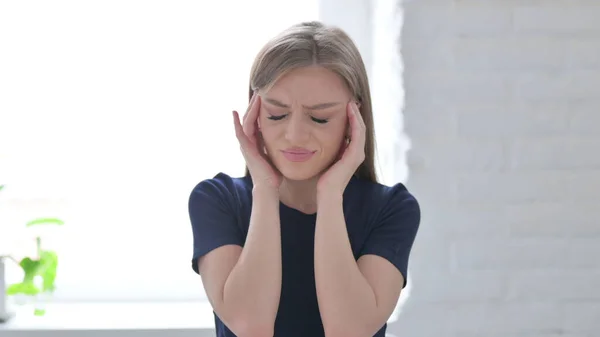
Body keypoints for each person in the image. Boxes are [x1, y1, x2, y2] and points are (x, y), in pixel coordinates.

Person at [188, 21, 420, 337]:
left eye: (320, 117)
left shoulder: (391, 208)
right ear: (254, 114)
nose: (295, 135)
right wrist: (266, 190)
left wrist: (330, 195)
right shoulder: (217, 200)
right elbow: (251, 326)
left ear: (355, 119)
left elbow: (348, 330)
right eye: (276, 114)